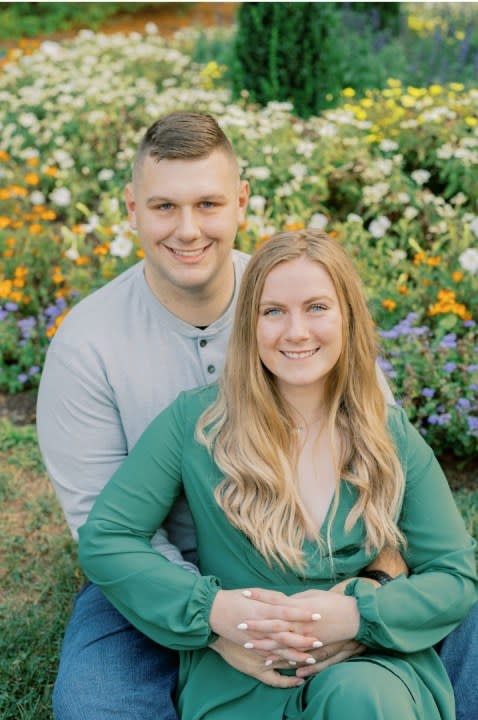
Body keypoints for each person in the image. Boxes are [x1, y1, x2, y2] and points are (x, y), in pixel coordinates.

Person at [37, 112, 478, 720]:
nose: (188, 229)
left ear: (240, 202)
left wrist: (368, 595)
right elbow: (104, 533)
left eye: (208, 204)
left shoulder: (286, 284)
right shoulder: (89, 345)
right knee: (96, 706)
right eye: (164, 206)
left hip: (336, 571)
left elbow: (381, 463)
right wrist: (224, 622)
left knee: (438, 641)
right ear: (131, 208)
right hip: (166, 573)